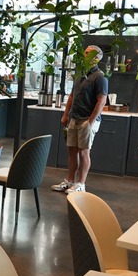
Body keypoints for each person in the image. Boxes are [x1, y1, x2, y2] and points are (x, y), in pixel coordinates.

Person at [52, 45, 108, 194]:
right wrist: (65, 114)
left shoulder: (100, 77)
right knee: (72, 150)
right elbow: (72, 96)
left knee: (84, 152)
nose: (85, 55)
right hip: (74, 118)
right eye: (85, 52)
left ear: (96, 58)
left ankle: (81, 184)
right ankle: (70, 181)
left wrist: (89, 122)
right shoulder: (80, 74)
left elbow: (101, 101)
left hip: (87, 120)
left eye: (88, 53)